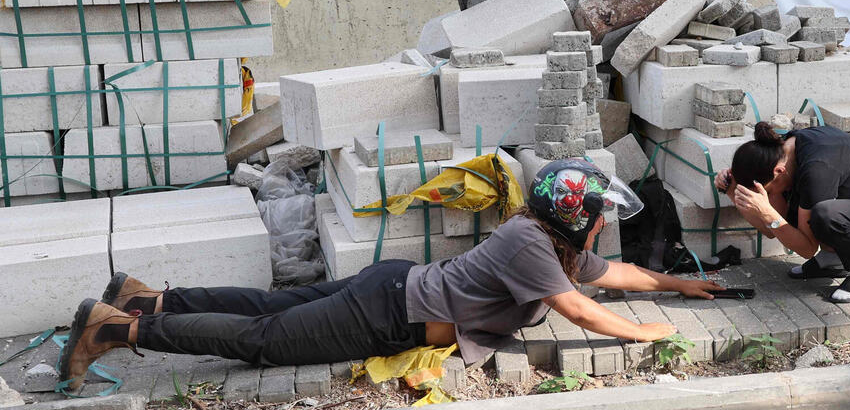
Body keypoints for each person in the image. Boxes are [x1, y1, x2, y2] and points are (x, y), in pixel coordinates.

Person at [59, 159, 722, 390]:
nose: (604, 223)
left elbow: (616, 277)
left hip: (393, 288)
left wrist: (678, 286)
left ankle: (147, 296)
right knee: (261, 339)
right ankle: (118, 328)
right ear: (574, 219)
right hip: (384, 313)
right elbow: (580, 310)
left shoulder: (550, 241)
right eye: (599, 214)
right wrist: (639, 337)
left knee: (266, 308)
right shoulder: (533, 248)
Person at [714, 122, 850, 304]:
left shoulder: (816, 170)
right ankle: (833, 258)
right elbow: (771, 229)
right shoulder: (785, 151)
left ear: (778, 172)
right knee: (809, 212)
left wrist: (767, 213)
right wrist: (732, 190)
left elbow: (806, 249)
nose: (770, 196)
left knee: (825, 214)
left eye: (768, 191)